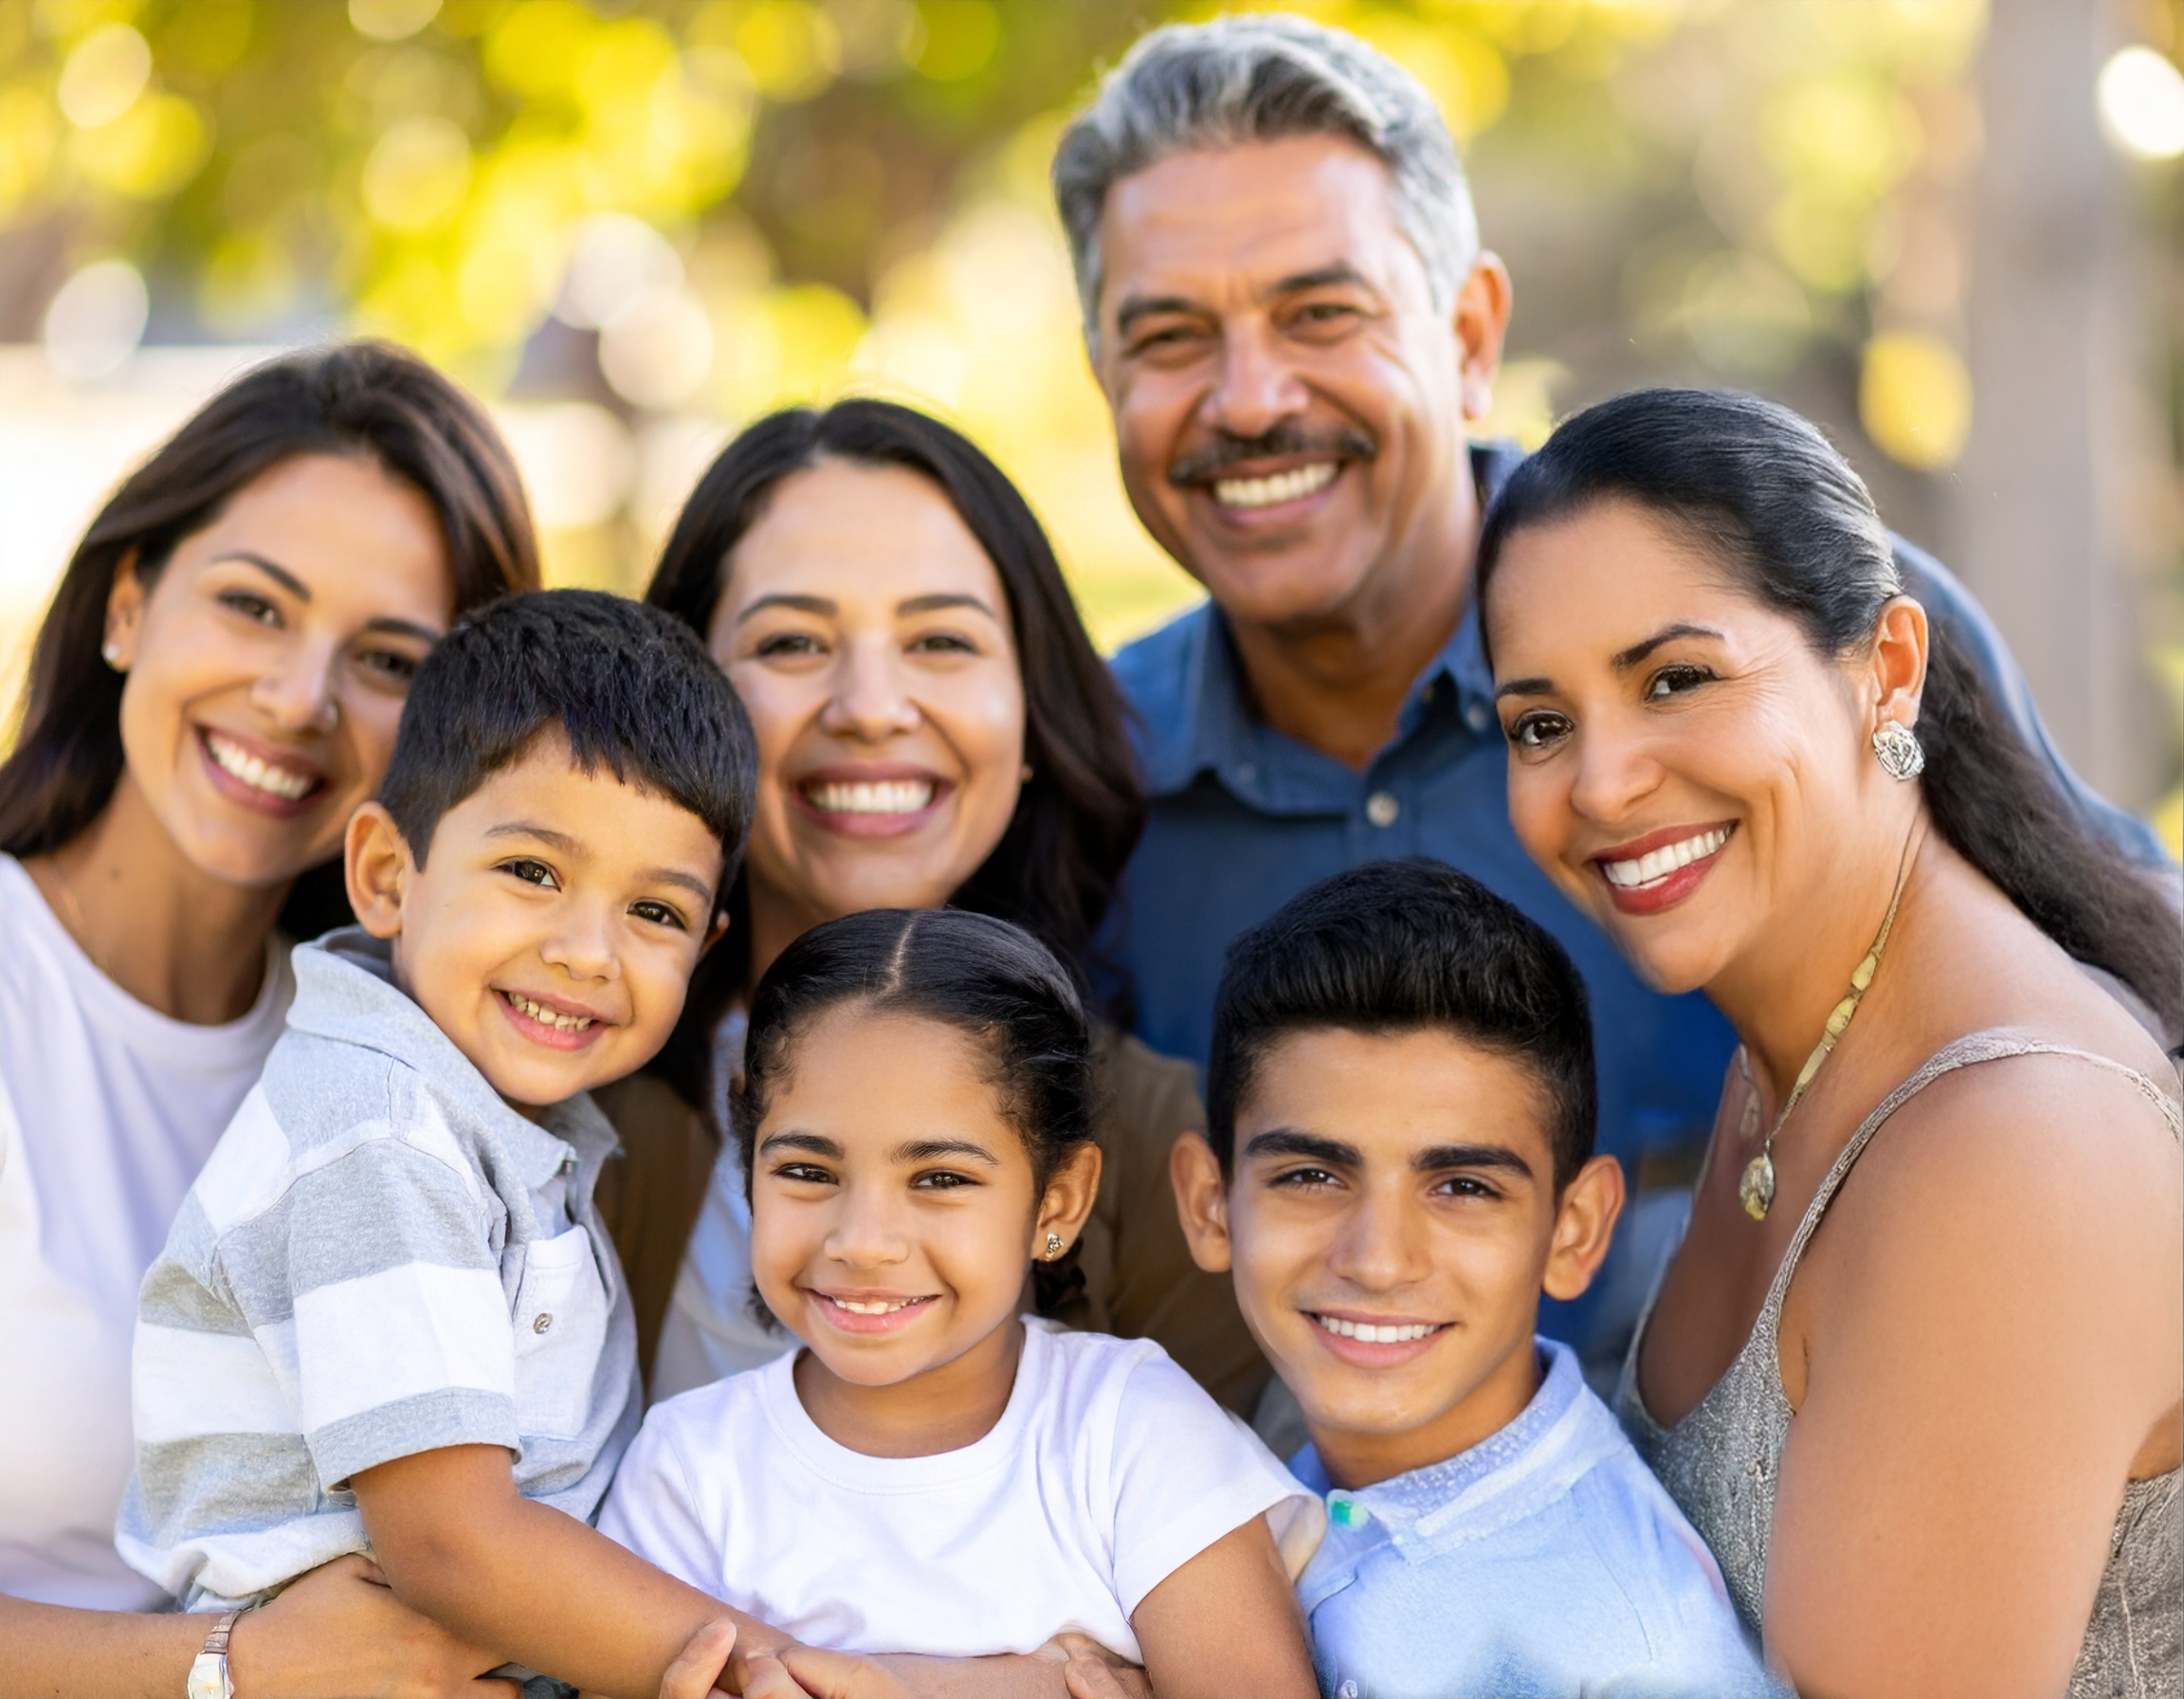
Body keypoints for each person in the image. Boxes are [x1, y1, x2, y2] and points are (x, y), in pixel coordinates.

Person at [1047, 12, 2175, 1358]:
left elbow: (2136, 1017)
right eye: (1169, 336)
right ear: (1103, 376)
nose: (1246, 397)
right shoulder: (1078, 791)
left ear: (1467, 335)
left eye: (1321, 312)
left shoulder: (1804, 632)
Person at [1478, 389, 2181, 1696]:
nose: (1602, 782)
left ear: (1888, 669)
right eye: (1542, 722)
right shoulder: (1786, 1058)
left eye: (1676, 678)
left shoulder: (2012, 1149)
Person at [0, 342, 549, 1699]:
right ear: (128, 605)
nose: (299, 701)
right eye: (254, 606)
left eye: (383, 658)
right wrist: (223, 1667)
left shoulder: (408, 1060)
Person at [117, 592, 779, 1697]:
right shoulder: (379, 1133)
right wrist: (781, 1670)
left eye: (654, 912)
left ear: (704, 946)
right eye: (533, 872)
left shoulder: (485, 1115)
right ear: (386, 873)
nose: (585, 952)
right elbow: (451, 1543)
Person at [614, 398, 1267, 1416]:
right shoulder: (557, 1085)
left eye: (941, 642)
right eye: (792, 642)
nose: (871, 705)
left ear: (1033, 708)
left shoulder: (1160, 1155)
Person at [599, 906, 1320, 1699]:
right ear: (749, 1165)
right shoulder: (690, 1468)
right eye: (807, 1170)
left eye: (940, 1179)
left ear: (1058, 1203)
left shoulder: (1131, 1430)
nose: (863, 1241)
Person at [1169, 859, 1772, 1698]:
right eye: (1311, 1176)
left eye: (1462, 1188)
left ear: (1575, 1231)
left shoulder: (1621, 1659)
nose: (1378, 1261)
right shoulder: (1199, 1469)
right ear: (1210, 1206)